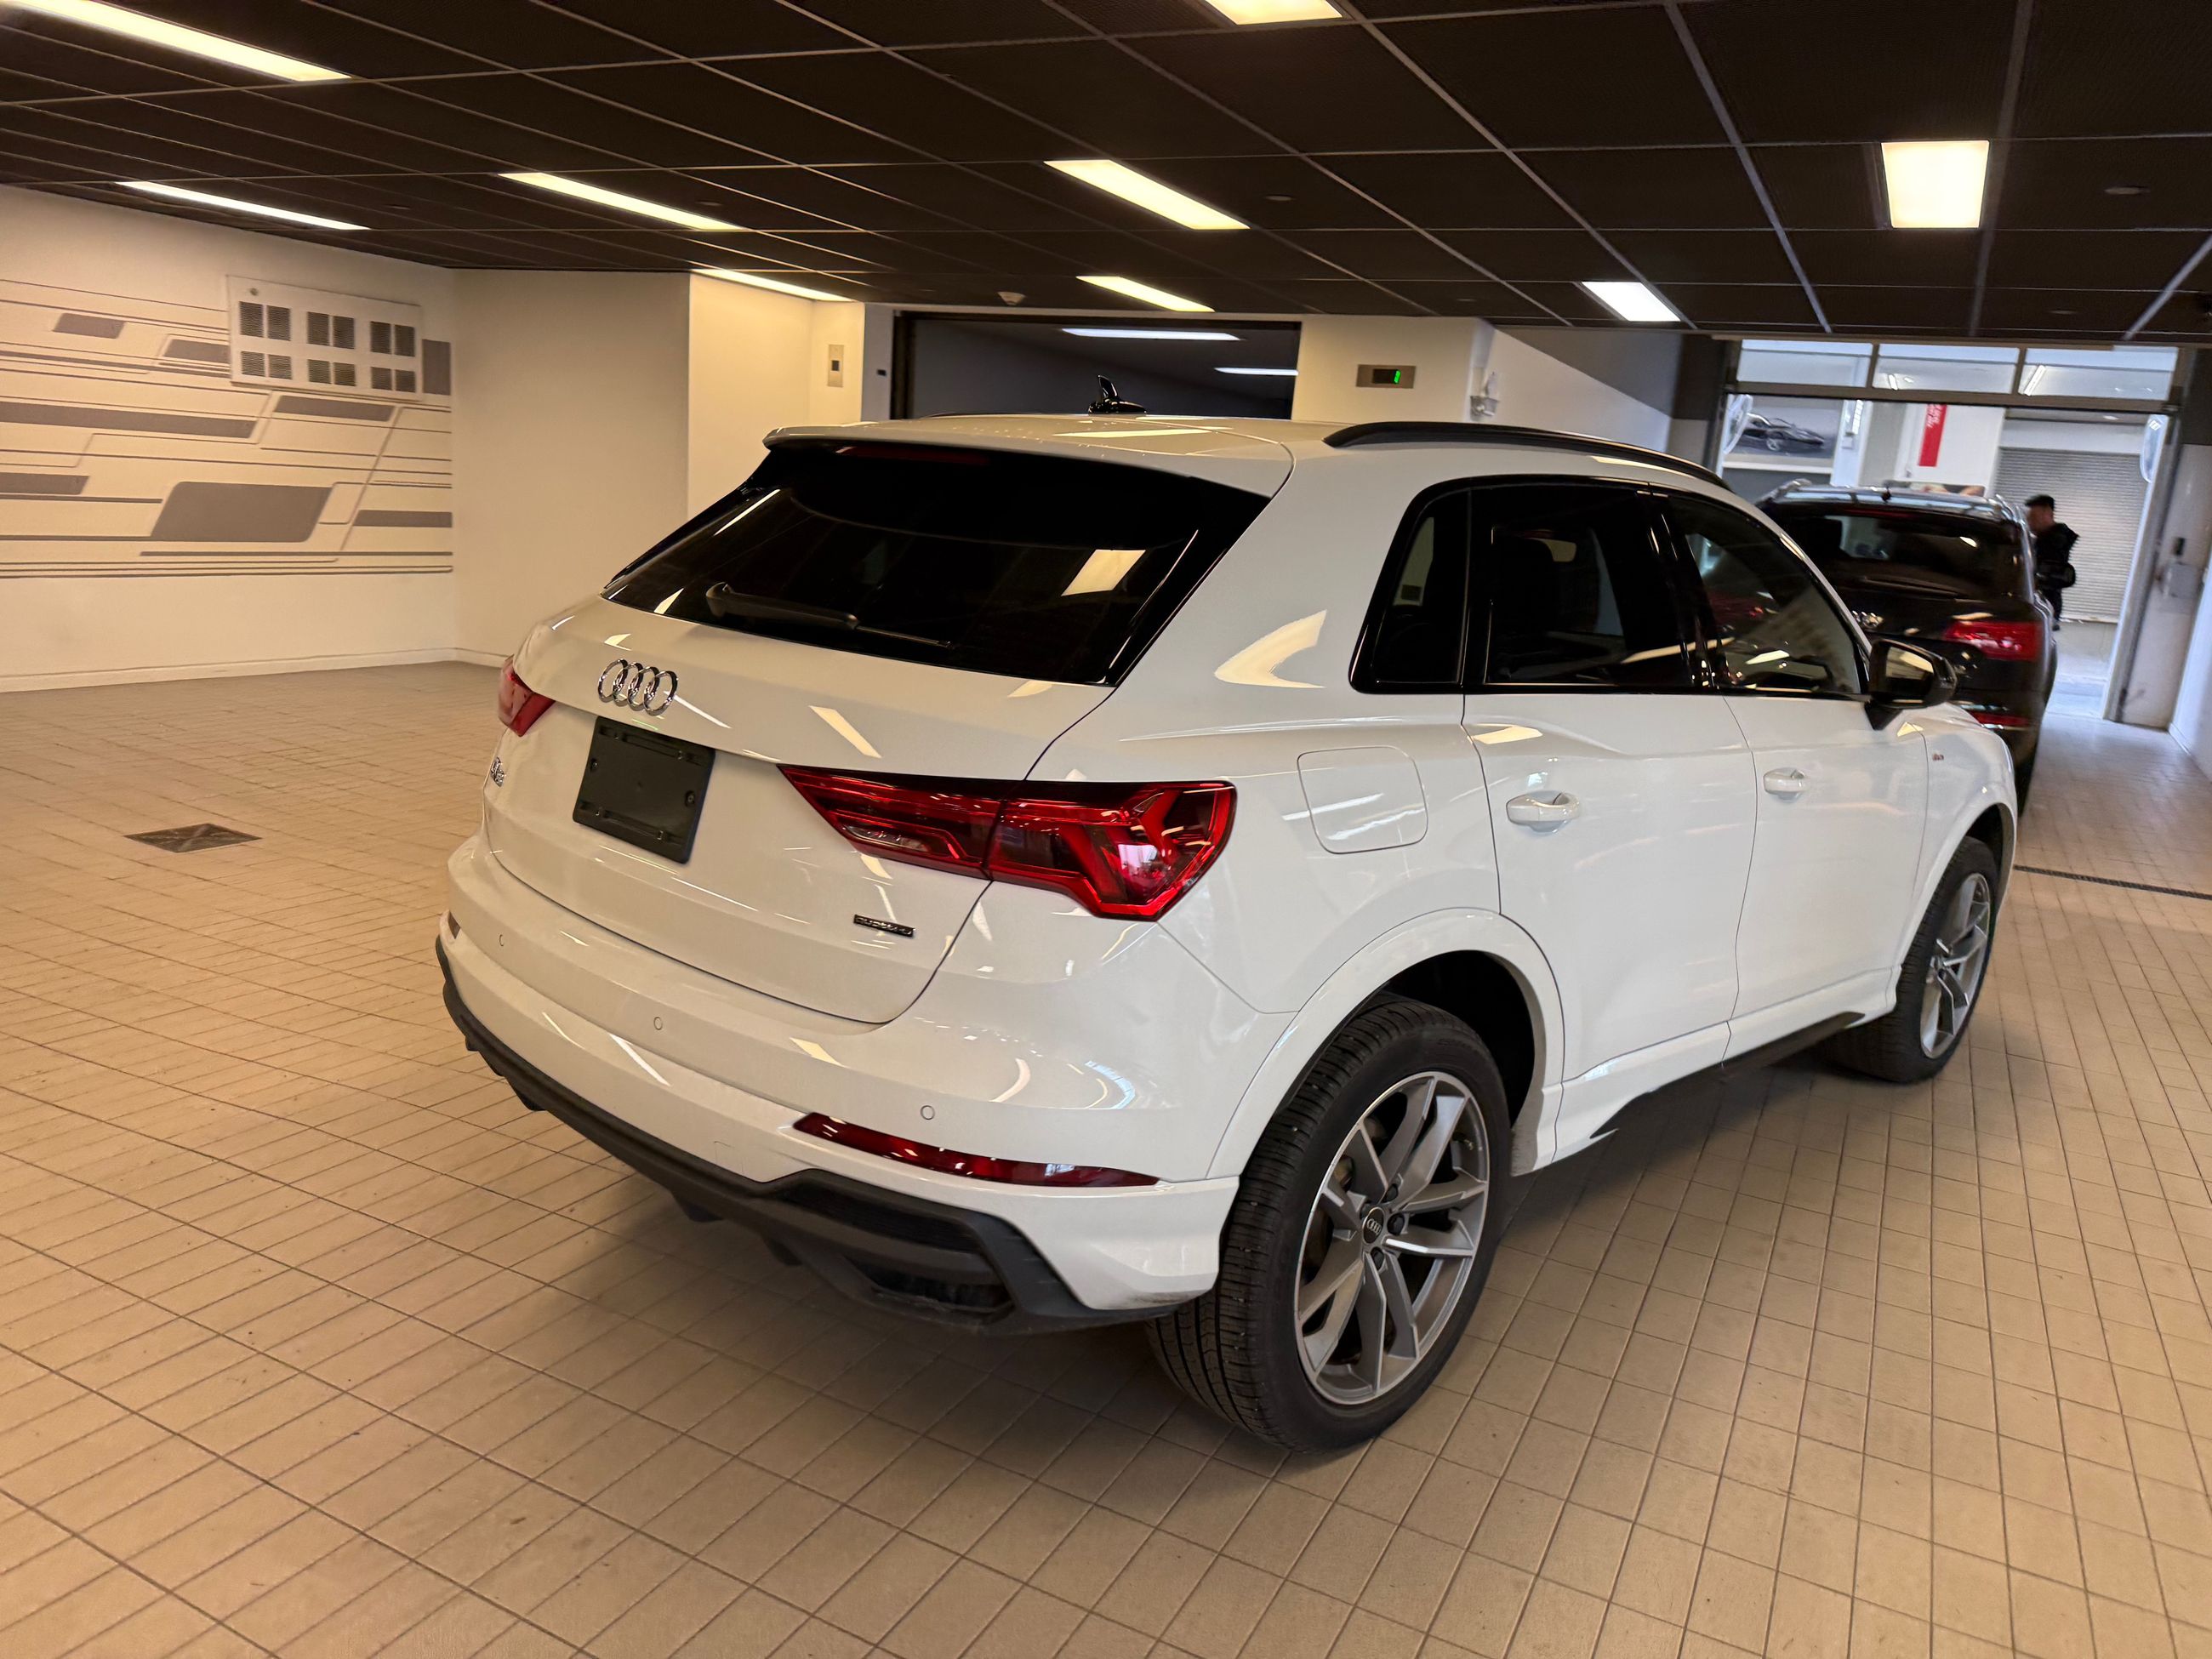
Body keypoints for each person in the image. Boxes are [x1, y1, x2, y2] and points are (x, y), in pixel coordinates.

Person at [2023, 493, 2078, 626]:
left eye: (2033, 518)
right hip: (2040, 606)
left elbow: (2038, 572)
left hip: (2042, 606)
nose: (2030, 523)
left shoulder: (2054, 542)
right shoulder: (2046, 539)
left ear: (2046, 513)